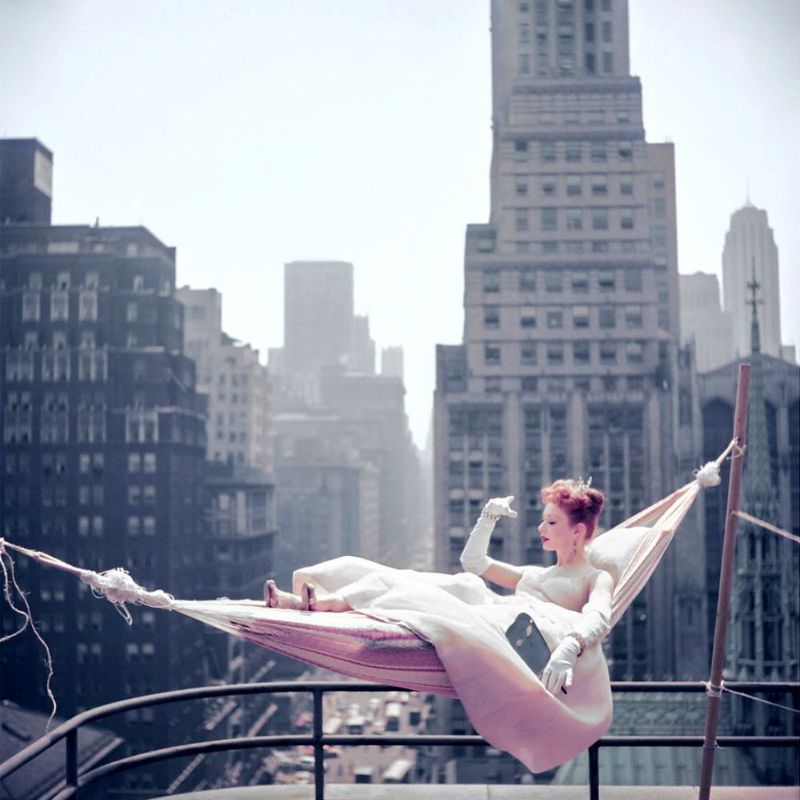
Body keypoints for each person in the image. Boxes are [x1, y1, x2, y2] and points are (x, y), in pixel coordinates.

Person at [264, 479, 615, 772]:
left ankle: (321, 603)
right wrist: (488, 516)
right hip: (493, 613)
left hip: (511, 635)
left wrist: (570, 646)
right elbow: (473, 562)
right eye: (543, 521)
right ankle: (316, 602)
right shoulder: (535, 574)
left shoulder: (593, 577)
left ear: (577, 530)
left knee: (445, 591)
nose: (541, 529)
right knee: (417, 581)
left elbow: (599, 615)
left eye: (551, 523)